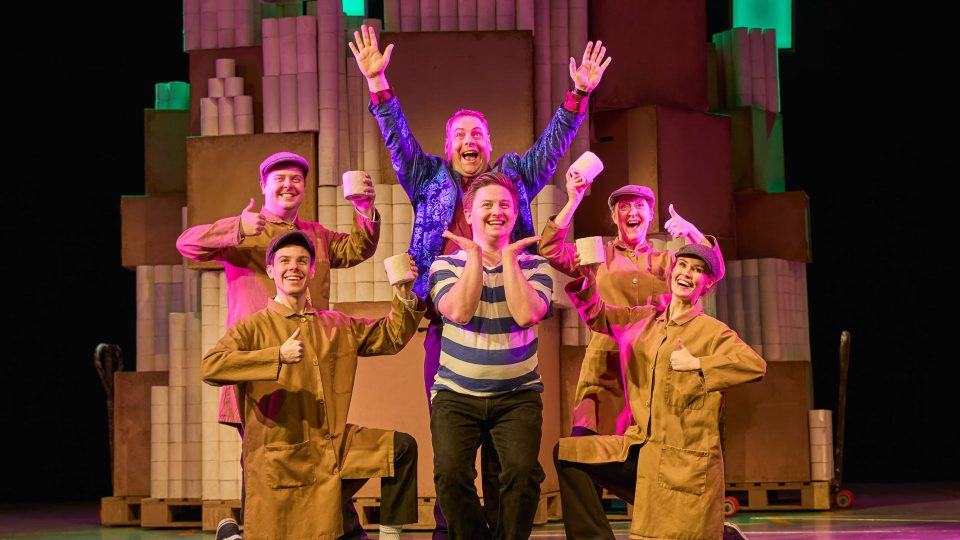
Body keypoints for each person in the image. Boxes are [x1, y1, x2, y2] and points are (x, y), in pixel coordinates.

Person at [350, 25, 611, 536]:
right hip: (448, 323)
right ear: (448, 148)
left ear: (489, 145)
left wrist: (578, 93)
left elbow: (551, 147)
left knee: (508, 455)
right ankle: (456, 533)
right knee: (452, 449)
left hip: (509, 318)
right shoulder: (428, 178)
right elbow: (398, 141)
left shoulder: (511, 179)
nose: (470, 141)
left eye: (478, 134)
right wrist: (379, 84)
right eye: (460, 136)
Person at [177, 151, 378, 538]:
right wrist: (237, 226)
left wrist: (365, 209)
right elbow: (187, 244)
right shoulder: (246, 230)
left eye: (296, 180)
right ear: (264, 185)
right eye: (279, 179)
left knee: (321, 451)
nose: (288, 185)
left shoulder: (314, 236)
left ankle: (328, 529)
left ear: (304, 189)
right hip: (259, 365)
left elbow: (357, 249)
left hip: (311, 364)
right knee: (261, 455)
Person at [202, 230, 425, 540]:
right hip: (285, 459)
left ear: (312, 270)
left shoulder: (335, 324)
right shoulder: (253, 327)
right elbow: (211, 365)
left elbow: (390, 336)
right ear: (270, 270)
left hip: (335, 447)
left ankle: (389, 536)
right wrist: (275, 358)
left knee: (400, 448)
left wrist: (403, 293)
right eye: (285, 261)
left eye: (302, 261)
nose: (294, 267)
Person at [555, 243, 766, 540]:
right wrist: (587, 279)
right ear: (671, 273)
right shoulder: (641, 319)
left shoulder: (713, 331)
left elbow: (754, 364)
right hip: (639, 446)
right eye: (682, 266)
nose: (687, 273)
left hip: (681, 462)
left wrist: (700, 364)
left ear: (706, 285)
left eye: (697, 270)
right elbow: (598, 316)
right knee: (569, 453)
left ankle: (722, 535)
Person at [540, 174, 723, 437]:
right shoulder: (596, 254)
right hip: (605, 370)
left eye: (639, 206)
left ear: (650, 215)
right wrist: (573, 200)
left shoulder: (668, 262)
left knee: (646, 457)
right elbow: (549, 248)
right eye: (624, 207)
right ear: (614, 217)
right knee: (590, 449)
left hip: (654, 369)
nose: (632, 212)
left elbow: (712, 270)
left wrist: (692, 231)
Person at [428, 172, 555, 539]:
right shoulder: (446, 265)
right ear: (468, 214)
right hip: (456, 395)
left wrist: (511, 260)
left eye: (505, 205)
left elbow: (525, 314)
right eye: (487, 205)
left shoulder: (535, 267)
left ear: (515, 214)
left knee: (520, 475)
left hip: (517, 397)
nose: (496, 212)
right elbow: (460, 311)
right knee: (451, 476)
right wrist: (474, 258)